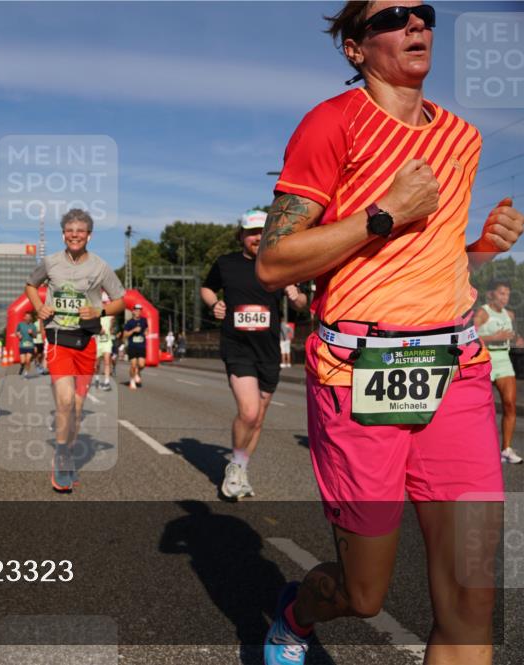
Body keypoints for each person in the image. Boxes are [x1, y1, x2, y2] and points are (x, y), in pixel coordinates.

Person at [254, 4, 524, 663]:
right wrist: (384, 213)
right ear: (355, 48)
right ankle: (296, 614)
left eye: (424, 13)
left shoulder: (461, 138)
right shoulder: (331, 124)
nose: (416, 25)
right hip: (358, 376)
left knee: (471, 598)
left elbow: (426, 262)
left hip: (454, 371)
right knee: (364, 592)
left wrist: (482, 247)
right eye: (393, 16)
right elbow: (273, 263)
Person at [202, 210, 308, 501]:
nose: (257, 237)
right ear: (241, 236)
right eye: (251, 232)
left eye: (263, 232)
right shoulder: (227, 263)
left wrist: (293, 293)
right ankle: (235, 467)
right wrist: (215, 304)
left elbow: (302, 303)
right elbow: (207, 288)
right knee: (248, 411)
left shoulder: (281, 265)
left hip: (268, 350)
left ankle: (241, 468)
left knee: (258, 418)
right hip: (237, 346)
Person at [25, 208, 126, 492]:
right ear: (63, 235)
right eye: (70, 231)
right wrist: (39, 307)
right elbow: (31, 284)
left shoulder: (100, 267)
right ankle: (60, 458)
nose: (75, 235)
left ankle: (68, 453)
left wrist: (100, 309)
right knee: (66, 402)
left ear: (89, 235)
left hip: (86, 343)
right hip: (58, 340)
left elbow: (121, 300)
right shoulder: (51, 262)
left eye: (80, 231)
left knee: (78, 410)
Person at [474, 280, 523, 464]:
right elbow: (472, 335)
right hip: (485, 359)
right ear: (491, 295)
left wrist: (518, 339)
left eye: (508, 294)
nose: (505, 297)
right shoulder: (482, 313)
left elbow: (512, 334)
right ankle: (478, 449)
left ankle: (506, 449)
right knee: (481, 409)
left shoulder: (508, 314)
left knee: (510, 404)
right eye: (501, 293)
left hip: (503, 359)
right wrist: (495, 337)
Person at [123, 304, 150, 389]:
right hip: (132, 346)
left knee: (142, 365)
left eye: (140, 310)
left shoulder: (144, 320)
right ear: (133, 311)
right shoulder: (129, 322)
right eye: (137, 310)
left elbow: (146, 328)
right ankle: (132, 380)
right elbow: (125, 335)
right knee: (133, 365)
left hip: (141, 346)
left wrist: (146, 332)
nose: (138, 312)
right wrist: (133, 330)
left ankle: (137, 372)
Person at [95, 307, 114, 390]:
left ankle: (107, 382)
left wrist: (112, 325)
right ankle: (96, 379)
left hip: (107, 341)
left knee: (107, 361)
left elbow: (112, 325)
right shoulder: (96, 315)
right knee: (96, 365)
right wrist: (98, 329)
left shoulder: (110, 315)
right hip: (97, 342)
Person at [15, 311, 38, 377]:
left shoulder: (33, 326)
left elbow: (35, 336)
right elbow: (17, 332)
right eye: (26, 317)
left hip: (30, 346)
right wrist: (18, 335)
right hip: (22, 345)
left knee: (28, 361)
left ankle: (27, 372)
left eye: (29, 317)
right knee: (23, 361)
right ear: (24, 317)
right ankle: (22, 366)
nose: (28, 318)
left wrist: (32, 333)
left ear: (31, 318)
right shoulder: (20, 324)